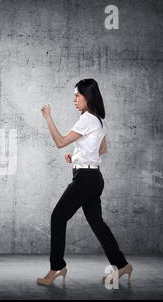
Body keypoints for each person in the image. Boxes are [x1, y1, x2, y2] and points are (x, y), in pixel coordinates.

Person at [36, 78, 132, 286]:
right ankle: (122, 264)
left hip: (85, 180)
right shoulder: (98, 120)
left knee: (57, 218)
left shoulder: (87, 118)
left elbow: (60, 142)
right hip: (94, 178)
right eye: (74, 95)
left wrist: (47, 117)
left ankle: (57, 267)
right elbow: (102, 150)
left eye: (78, 95)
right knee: (97, 223)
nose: (75, 99)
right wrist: (77, 156)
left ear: (88, 97)